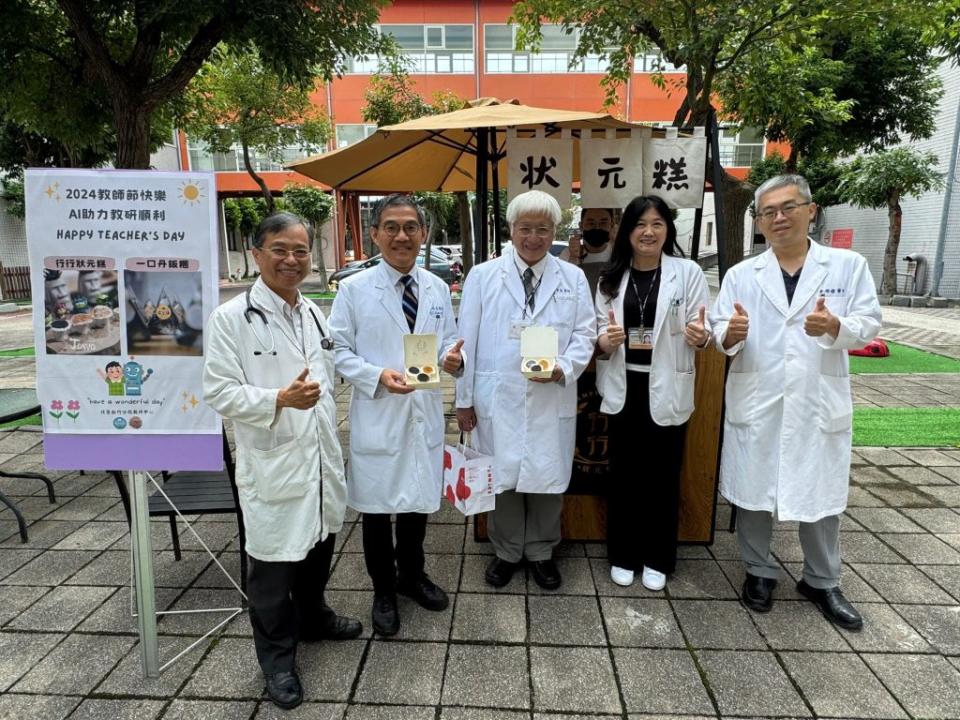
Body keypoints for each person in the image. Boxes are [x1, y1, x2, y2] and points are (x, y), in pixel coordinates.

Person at [203, 212, 361, 710]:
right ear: (257, 254)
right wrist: (277, 399)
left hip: (318, 457)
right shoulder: (231, 318)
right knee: (272, 569)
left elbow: (331, 372)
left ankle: (313, 617)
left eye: (300, 251)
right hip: (273, 461)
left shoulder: (314, 312)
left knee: (319, 544)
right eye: (280, 249)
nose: (292, 260)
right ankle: (276, 660)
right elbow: (218, 392)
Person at [710, 174, 881, 631]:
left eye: (788, 207)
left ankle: (822, 580)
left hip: (815, 399)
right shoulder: (741, 275)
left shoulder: (848, 266)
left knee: (819, 494)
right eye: (768, 212)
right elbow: (718, 329)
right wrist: (730, 334)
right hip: (759, 397)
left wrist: (834, 326)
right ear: (759, 222)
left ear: (811, 210)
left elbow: (869, 323)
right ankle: (759, 571)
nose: (779, 218)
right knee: (753, 489)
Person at [328, 194, 465, 637]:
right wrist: (376, 375)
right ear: (374, 234)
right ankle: (383, 589)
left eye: (410, 227)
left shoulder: (437, 288)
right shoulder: (353, 289)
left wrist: (452, 359)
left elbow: (447, 341)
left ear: (424, 234)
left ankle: (413, 576)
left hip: (422, 410)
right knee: (376, 508)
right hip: (379, 410)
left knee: (417, 503)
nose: (401, 235)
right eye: (391, 226)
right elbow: (338, 352)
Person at [456, 190, 596, 590]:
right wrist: (464, 400)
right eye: (525, 228)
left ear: (554, 231)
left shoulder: (572, 278)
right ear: (511, 229)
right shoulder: (484, 276)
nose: (533, 237)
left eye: (542, 229)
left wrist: (563, 369)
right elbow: (466, 339)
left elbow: (586, 334)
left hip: (550, 395)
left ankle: (541, 551)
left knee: (547, 478)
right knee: (502, 477)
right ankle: (506, 551)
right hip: (496, 395)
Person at [594, 195, 711, 591]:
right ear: (627, 232)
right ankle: (623, 554)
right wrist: (605, 340)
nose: (648, 231)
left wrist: (701, 336)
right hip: (624, 385)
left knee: (663, 477)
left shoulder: (687, 272)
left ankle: (658, 557)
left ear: (667, 230)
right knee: (624, 476)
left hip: (667, 385)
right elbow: (598, 331)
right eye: (640, 224)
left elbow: (701, 324)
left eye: (657, 223)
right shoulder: (610, 279)